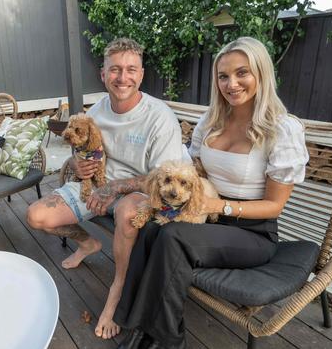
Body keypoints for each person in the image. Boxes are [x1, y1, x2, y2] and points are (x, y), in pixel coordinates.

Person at [112, 36, 310, 349]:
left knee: (172, 237)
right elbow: (194, 171)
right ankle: (139, 326)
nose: (232, 84)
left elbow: (274, 206)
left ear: (261, 73)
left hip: (252, 234)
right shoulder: (213, 120)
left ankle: (167, 339)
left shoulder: (282, 129)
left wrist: (219, 204)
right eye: (223, 76)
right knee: (150, 229)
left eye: (242, 73)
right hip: (205, 220)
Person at [26, 38, 188, 340]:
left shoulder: (159, 117)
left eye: (130, 70)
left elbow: (163, 177)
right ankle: (88, 243)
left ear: (141, 74)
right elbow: (80, 148)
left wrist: (114, 189)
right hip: (95, 186)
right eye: (115, 70)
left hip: (139, 190)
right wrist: (77, 164)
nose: (122, 78)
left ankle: (117, 291)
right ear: (103, 74)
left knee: (128, 213)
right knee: (36, 216)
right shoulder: (96, 112)